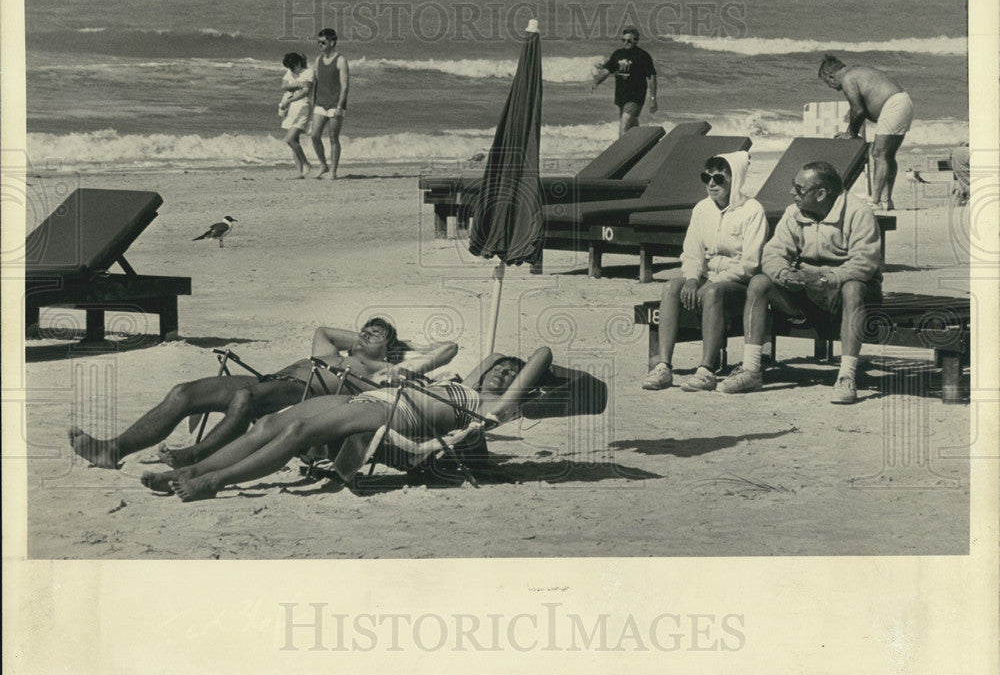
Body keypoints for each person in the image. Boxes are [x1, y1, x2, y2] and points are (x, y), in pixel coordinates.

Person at [141, 347, 554, 501]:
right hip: (374, 398)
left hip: (397, 416)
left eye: (509, 373)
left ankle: (214, 482)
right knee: (268, 422)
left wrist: (516, 374)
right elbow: (482, 356)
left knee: (297, 433)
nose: (501, 375)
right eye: (499, 369)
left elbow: (542, 354)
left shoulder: (495, 403)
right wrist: (492, 362)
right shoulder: (464, 382)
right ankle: (192, 469)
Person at [68, 318, 458, 469]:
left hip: (292, 397)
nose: (369, 334)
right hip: (267, 380)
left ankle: (195, 459)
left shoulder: (379, 371)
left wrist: (396, 348)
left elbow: (448, 350)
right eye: (366, 329)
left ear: (388, 349)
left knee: (244, 401)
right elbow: (323, 329)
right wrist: (364, 338)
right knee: (183, 391)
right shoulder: (331, 352)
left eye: (378, 335)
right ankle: (113, 449)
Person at [717, 161, 882, 405]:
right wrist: (784, 274)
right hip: (808, 291)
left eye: (799, 188)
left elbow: (864, 264)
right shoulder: (793, 213)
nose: (792, 193)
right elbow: (772, 253)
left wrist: (825, 279)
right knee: (760, 283)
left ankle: (846, 376)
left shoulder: (858, 212)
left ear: (821, 193)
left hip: (848, 293)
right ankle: (751, 370)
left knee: (854, 287)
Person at [642, 151, 767, 391]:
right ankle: (664, 366)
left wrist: (712, 282)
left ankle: (706, 370)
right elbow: (692, 252)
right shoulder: (702, 209)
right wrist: (691, 278)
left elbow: (749, 264)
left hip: (737, 283)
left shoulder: (752, 210)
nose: (711, 184)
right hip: (706, 277)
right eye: (706, 178)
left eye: (719, 179)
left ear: (735, 179)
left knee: (712, 293)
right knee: (671, 287)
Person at [818, 54, 913, 212]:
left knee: (878, 154)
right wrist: (852, 128)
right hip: (903, 102)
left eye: (827, 82)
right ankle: (886, 201)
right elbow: (860, 108)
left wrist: (850, 134)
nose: (829, 86)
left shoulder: (848, 79)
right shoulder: (856, 71)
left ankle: (874, 201)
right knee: (888, 155)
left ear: (831, 76)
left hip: (893, 106)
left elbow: (858, 110)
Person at [591, 27, 658, 137]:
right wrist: (597, 81)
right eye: (623, 40)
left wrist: (653, 99)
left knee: (624, 126)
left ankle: (621, 152)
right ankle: (642, 145)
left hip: (636, 96)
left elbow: (651, 77)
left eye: (629, 40)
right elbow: (607, 70)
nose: (625, 43)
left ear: (636, 40)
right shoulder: (618, 54)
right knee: (632, 125)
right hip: (621, 96)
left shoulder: (643, 56)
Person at [309, 28, 350, 180]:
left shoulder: (340, 60)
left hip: (335, 104)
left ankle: (333, 171)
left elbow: (345, 86)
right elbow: (315, 83)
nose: (319, 45)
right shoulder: (318, 60)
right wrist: (312, 103)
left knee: (333, 137)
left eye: (323, 42)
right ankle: (323, 165)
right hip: (320, 103)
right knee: (314, 135)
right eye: (318, 42)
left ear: (332, 42)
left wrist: (340, 106)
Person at [278, 52, 315, 178]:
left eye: (293, 67)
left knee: (289, 139)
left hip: (304, 107)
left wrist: (290, 99)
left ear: (299, 63)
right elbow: (283, 86)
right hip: (291, 109)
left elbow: (306, 92)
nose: (291, 70)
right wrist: (298, 84)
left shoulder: (309, 72)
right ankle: (300, 173)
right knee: (294, 141)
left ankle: (306, 163)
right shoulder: (290, 71)